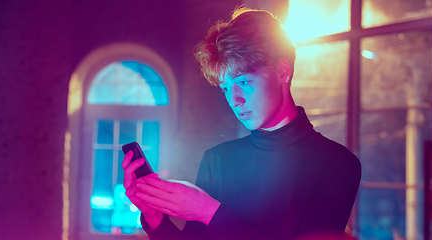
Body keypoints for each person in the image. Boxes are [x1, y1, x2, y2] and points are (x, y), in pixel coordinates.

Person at [122, 7, 361, 240]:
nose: (234, 100)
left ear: (282, 72)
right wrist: (154, 218)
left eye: (244, 82)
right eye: (226, 87)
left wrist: (207, 211)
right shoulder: (216, 159)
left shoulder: (337, 165)